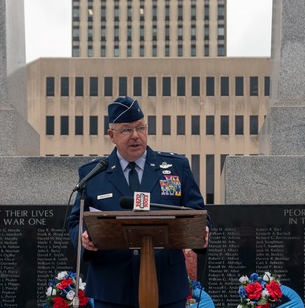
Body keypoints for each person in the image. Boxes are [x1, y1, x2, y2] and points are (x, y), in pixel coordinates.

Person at [68, 96, 209, 308]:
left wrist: (203, 231)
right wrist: (83, 237)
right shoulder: (94, 174)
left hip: (166, 286)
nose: (135, 136)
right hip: (113, 287)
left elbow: (198, 212)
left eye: (140, 128)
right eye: (126, 130)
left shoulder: (176, 167)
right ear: (112, 135)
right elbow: (75, 222)